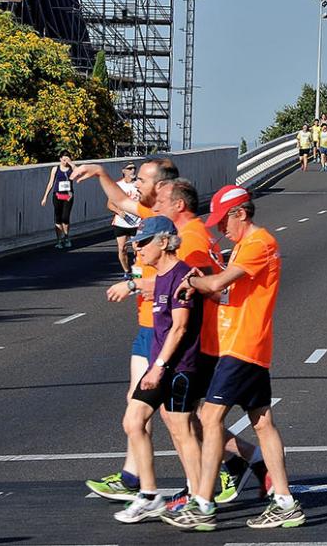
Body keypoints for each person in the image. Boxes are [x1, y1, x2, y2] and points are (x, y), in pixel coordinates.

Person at [163, 186, 304, 531]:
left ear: (241, 212)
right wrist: (204, 289)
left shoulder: (258, 243)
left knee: (209, 417)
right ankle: (285, 501)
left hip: (242, 345)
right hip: (247, 344)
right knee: (262, 422)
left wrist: (194, 282)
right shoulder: (244, 245)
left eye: (223, 221)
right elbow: (228, 295)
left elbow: (220, 282)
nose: (218, 228)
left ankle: (203, 503)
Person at [111, 216, 206, 523]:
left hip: (178, 367)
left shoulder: (180, 276)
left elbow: (179, 329)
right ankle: (150, 495)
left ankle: (199, 497)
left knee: (182, 430)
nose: (137, 250)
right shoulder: (161, 277)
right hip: (159, 366)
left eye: (143, 243)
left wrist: (159, 367)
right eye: (136, 243)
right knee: (133, 420)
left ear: (163, 242)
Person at [41, 153, 76, 249]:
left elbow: (78, 172)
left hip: (68, 196)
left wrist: (71, 163)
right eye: (64, 160)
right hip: (57, 195)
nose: (65, 162)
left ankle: (66, 237)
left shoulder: (71, 169)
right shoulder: (55, 169)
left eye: (67, 160)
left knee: (65, 217)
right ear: (60, 159)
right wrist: (45, 197)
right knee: (58, 218)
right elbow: (50, 183)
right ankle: (59, 240)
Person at [113, 163, 142, 273]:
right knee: (122, 249)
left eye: (134, 168)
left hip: (137, 222)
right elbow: (110, 204)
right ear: (123, 171)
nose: (133, 170)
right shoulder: (118, 185)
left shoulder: (139, 184)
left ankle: (137, 272)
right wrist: (118, 211)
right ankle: (126, 272)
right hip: (121, 223)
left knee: (137, 249)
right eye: (129, 169)